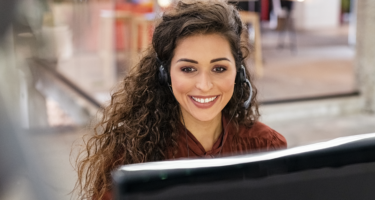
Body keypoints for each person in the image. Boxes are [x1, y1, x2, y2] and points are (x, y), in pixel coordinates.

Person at [74, 0, 287, 199]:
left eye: (219, 68)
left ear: (238, 74)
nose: (204, 85)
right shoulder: (132, 155)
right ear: (165, 74)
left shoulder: (267, 146)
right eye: (188, 69)